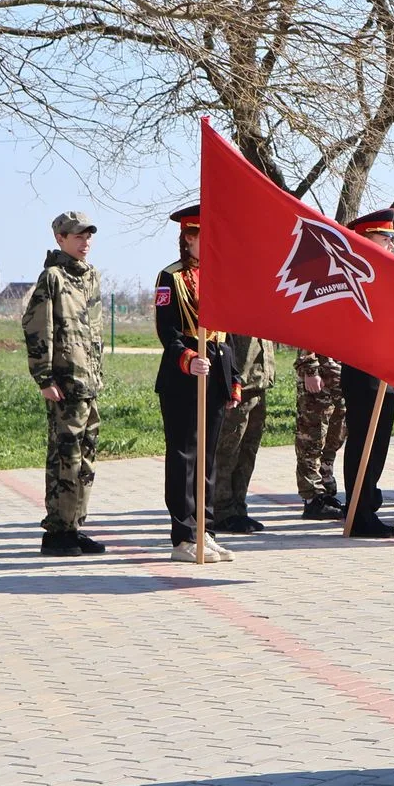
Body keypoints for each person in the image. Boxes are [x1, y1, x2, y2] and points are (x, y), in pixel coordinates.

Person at [154, 203, 241, 563]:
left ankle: (206, 530)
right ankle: (184, 536)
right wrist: (188, 360)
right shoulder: (169, 277)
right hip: (183, 377)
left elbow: (229, 333)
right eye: (205, 237)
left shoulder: (220, 275)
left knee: (208, 458)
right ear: (189, 238)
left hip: (215, 373)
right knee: (184, 456)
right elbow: (167, 330)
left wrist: (233, 379)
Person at [22, 211, 106, 557]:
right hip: (65, 383)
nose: (84, 242)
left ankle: (75, 525)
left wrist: (97, 375)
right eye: (77, 237)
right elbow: (37, 327)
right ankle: (57, 530)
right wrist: (44, 377)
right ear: (60, 239)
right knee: (64, 457)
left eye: (88, 236)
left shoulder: (90, 277)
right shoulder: (53, 278)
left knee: (86, 458)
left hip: (88, 383)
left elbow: (94, 332)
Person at [338, 208, 394, 539]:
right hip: (364, 373)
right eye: (385, 239)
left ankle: (367, 508)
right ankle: (359, 513)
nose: (391, 246)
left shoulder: (384, 278)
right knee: (364, 443)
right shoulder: (353, 278)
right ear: (365, 241)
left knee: (377, 446)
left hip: (385, 374)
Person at [214, 334, 275, 533]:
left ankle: (238, 507)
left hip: (258, 381)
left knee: (247, 452)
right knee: (228, 449)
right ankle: (220, 511)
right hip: (239, 381)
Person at [295, 349, 347, 520]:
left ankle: (325, 488)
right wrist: (310, 370)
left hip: (338, 379)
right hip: (319, 380)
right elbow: (305, 334)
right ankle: (312, 497)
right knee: (311, 440)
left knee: (335, 437)